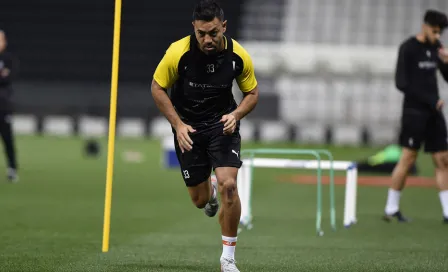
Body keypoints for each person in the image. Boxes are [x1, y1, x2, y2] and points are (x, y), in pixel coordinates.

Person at [151, 0, 259, 270]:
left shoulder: (238, 56)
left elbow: (253, 94)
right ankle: (209, 193)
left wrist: (236, 116)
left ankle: (228, 259)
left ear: (224, 26)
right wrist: (177, 125)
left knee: (230, 186)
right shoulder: (178, 52)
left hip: (223, 125)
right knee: (200, 201)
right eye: (201, 34)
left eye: (213, 32)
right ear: (193, 29)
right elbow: (157, 87)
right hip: (188, 129)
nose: (207, 39)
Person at [383, 10, 448, 223]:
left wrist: (446, 62)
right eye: (435, 31)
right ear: (425, 26)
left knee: (443, 160)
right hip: (414, 112)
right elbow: (401, 83)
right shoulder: (408, 48)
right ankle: (391, 208)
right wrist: (430, 100)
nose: (438, 36)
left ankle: (447, 212)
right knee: (408, 158)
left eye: (441, 33)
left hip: (433, 113)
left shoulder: (437, 48)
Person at [0, 30, 18, 183]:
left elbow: (8, 78)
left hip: (3, 106)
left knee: (7, 139)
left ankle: (12, 168)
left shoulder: (8, 58)